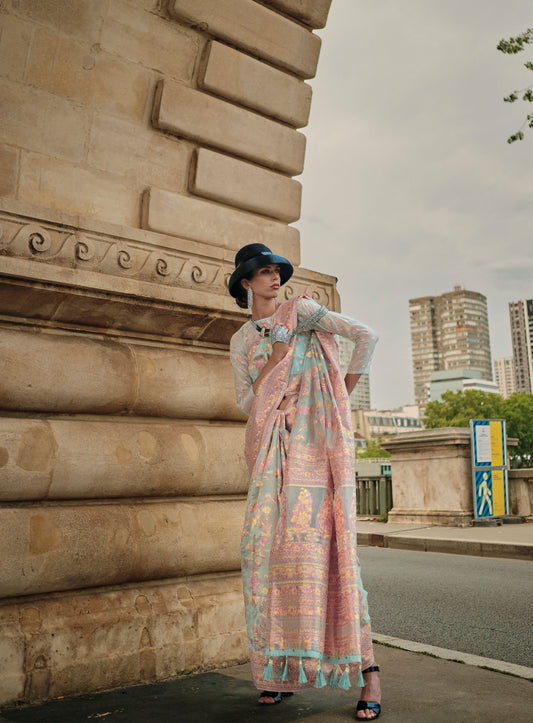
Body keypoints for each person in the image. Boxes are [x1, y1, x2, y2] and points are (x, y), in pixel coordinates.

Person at [228, 243, 382, 720]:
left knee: (330, 558)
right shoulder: (240, 341)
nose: (274, 278)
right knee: (266, 559)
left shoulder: (305, 312)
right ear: (244, 283)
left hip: (315, 453)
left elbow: (365, 335)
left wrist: (337, 397)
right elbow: (248, 401)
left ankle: (368, 676)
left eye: (277, 271)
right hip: (271, 451)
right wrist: (276, 352)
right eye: (263, 272)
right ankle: (277, 673)